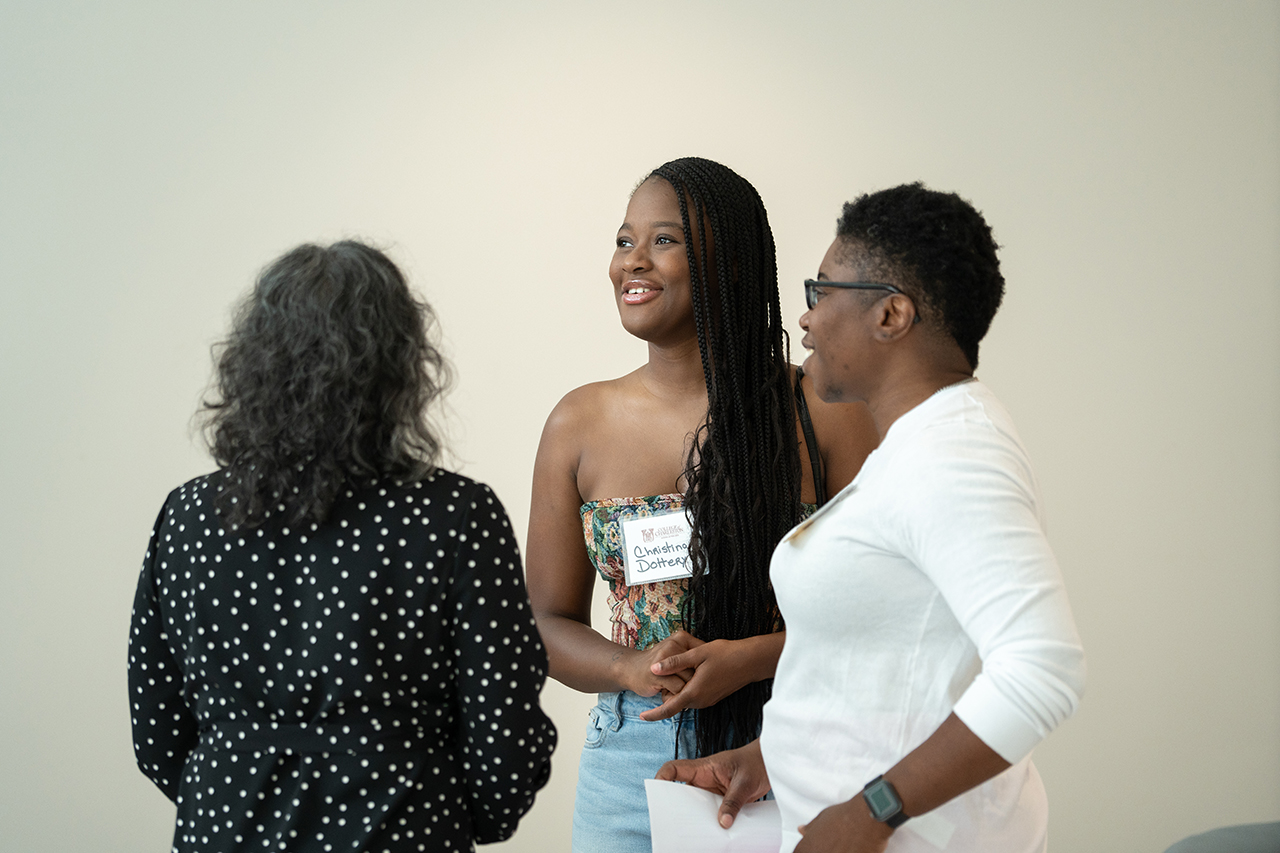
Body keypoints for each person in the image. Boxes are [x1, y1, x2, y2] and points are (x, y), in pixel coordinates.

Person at [658, 183, 1088, 853]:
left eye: (821, 291)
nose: (805, 320)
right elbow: (889, 661)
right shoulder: (914, 448)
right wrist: (771, 756)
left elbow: (1043, 669)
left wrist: (870, 811)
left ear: (891, 314)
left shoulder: (954, 454)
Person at [128, 241, 556, 853]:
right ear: (401, 366)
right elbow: (504, 735)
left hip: (225, 833)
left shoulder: (190, 517)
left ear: (254, 363)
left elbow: (158, 731)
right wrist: (448, 816)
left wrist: (234, 791)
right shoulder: (456, 517)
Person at [526, 157, 879, 852]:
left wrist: (752, 657)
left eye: (664, 240)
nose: (633, 262)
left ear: (734, 263)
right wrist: (629, 667)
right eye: (625, 240)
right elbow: (546, 620)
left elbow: (882, 614)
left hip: (788, 745)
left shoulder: (823, 410)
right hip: (632, 758)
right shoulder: (579, 421)